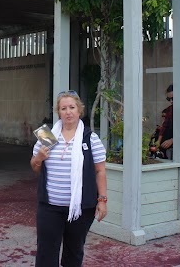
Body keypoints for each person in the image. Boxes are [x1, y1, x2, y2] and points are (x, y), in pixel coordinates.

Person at [30, 90, 107, 267]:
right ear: (58, 112)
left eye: (72, 107)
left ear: (79, 110)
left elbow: (100, 171)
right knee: (46, 252)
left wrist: (102, 200)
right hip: (50, 207)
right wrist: (39, 158)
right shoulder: (47, 136)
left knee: (74, 252)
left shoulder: (89, 138)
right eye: (63, 108)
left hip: (80, 209)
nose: (68, 112)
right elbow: (34, 167)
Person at [156, 84, 174, 159]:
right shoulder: (170, 109)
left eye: (173, 98)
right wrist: (158, 142)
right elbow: (164, 126)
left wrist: (172, 140)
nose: (171, 101)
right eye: (169, 99)